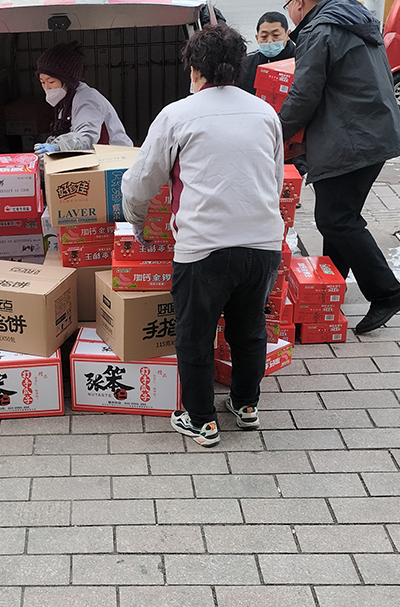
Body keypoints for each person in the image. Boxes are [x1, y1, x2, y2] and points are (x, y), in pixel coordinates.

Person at [121, 24, 285, 447]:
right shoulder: (265, 113)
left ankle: (201, 420)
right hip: (263, 245)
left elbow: (140, 182)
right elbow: (274, 178)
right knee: (249, 330)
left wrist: (136, 222)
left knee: (195, 335)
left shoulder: (178, 115)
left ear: (195, 69)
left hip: (204, 248)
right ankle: (246, 405)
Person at [279, 0, 400, 334]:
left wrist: (273, 132)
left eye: (288, 6)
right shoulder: (354, 16)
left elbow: (304, 94)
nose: (290, 13)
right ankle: (328, 290)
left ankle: (387, 293)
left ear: (299, 2)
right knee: (340, 215)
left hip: (352, 137)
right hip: (374, 130)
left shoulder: (320, 30)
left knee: (335, 219)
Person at [33, 42, 133, 155]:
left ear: (67, 81)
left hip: (114, 158)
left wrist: (57, 147)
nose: (47, 88)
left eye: (51, 82)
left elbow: (86, 137)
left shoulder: (88, 100)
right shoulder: (65, 102)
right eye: (42, 82)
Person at [238, 11, 296, 95]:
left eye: (276, 35)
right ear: (257, 38)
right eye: (264, 36)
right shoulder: (246, 63)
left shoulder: (300, 60)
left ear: (288, 35)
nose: (269, 41)